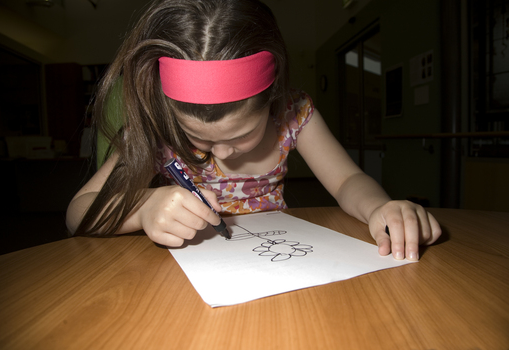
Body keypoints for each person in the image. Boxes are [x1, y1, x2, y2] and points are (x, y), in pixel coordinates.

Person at [67, 0, 441, 261]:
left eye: (239, 135)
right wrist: (141, 207)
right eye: (200, 138)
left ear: (272, 97)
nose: (223, 153)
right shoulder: (155, 127)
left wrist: (379, 208)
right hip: (186, 275)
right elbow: (78, 212)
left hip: (279, 259)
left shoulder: (293, 113)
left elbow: (346, 181)